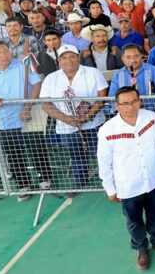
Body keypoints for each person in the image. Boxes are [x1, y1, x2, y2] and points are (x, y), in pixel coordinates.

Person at [97, 86, 155, 271]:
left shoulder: (152, 118)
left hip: (154, 179)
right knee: (134, 220)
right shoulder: (107, 130)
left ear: (140, 101)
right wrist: (110, 188)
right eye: (125, 103)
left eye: (134, 101)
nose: (130, 107)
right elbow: (104, 162)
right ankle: (141, 248)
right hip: (128, 186)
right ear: (117, 106)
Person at [0, 41, 53, 201]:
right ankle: (23, 184)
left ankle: (45, 179)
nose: (4, 55)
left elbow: (37, 86)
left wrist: (27, 107)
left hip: (30, 115)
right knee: (13, 153)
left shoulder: (24, 65)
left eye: (5, 51)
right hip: (5, 119)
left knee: (37, 148)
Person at [40, 45, 109, 194]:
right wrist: (67, 119)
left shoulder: (93, 72)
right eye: (64, 57)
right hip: (66, 126)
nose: (69, 60)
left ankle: (108, 182)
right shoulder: (51, 78)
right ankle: (80, 181)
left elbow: (102, 97)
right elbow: (45, 104)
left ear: (78, 57)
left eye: (72, 56)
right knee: (76, 155)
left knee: (101, 154)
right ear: (58, 61)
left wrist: (88, 116)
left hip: (94, 123)